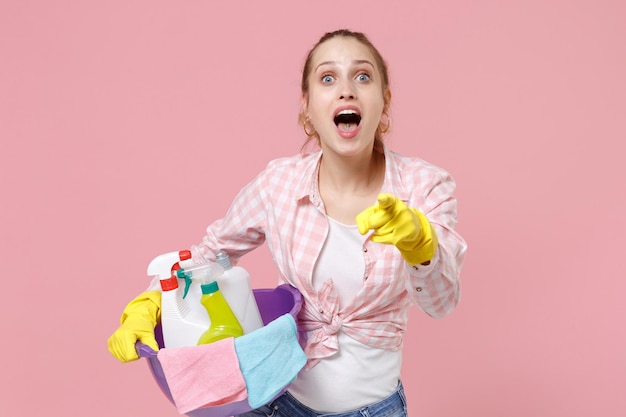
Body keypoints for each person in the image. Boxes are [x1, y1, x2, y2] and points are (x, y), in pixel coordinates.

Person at [108, 29, 467, 417]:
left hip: (375, 410)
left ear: (384, 101)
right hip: (280, 405)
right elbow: (209, 255)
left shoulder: (425, 185)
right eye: (328, 79)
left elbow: (441, 303)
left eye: (363, 77)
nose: (346, 90)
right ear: (307, 106)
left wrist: (421, 246)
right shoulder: (278, 183)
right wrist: (150, 302)